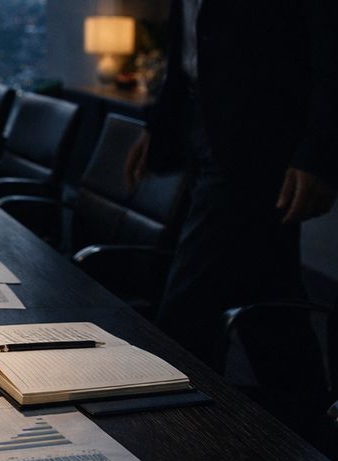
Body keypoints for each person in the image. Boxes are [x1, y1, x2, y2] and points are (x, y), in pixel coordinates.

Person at [125, 0, 337, 413]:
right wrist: (159, 126)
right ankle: (308, 431)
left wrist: (319, 156)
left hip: (258, 143)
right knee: (268, 294)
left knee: (185, 309)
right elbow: (188, 51)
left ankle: (181, 441)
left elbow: (329, 49)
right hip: (201, 127)